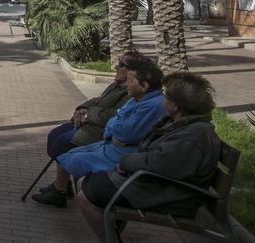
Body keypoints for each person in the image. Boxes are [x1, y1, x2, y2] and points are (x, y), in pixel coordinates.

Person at [76, 72, 222, 241]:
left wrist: (125, 162)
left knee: (84, 197)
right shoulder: (189, 126)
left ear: (175, 106)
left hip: (169, 195)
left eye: (166, 97)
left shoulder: (194, 134)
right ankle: (110, 234)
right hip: (157, 186)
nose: (162, 100)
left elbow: (160, 164)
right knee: (84, 183)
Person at [32, 58, 166, 208]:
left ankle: (65, 190)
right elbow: (102, 104)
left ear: (144, 85)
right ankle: (62, 187)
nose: (117, 67)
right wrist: (82, 108)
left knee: (65, 146)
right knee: (57, 136)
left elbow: (119, 126)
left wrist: (95, 118)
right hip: (103, 135)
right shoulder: (130, 93)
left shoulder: (143, 100)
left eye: (123, 66)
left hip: (104, 138)